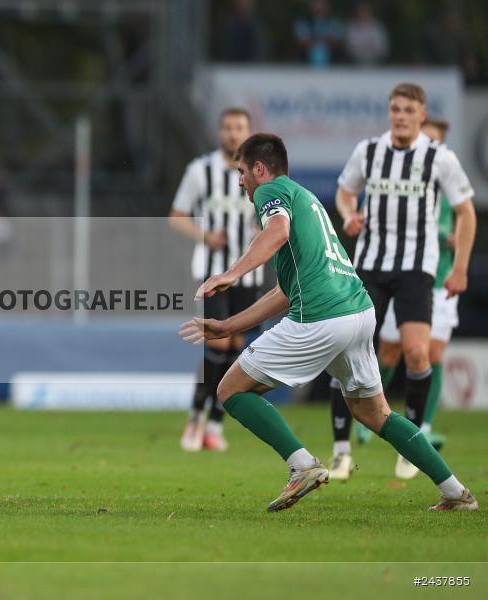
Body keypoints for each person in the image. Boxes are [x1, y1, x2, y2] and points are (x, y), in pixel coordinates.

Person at [180, 133, 478, 512]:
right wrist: (228, 325)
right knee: (375, 413)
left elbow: (277, 232)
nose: (240, 181)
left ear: (259, 169)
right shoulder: (308, 200)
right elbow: (286, 292)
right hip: (358, 313)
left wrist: (231, 274)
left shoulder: (269, 193)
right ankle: (456, 492)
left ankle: (302, 465)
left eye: (241, 171)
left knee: (230, 390)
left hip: (320, 318)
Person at [329, 83, 476, 481]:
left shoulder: (439, 158)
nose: (401, 116)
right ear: (389, 112)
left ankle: (411, 446)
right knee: (349, 349)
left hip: (417, 268)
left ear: (421, 116)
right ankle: (341, 450)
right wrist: (349, 214)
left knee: (416, 352)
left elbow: (466, 212)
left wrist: (460, 266)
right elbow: (345, 193)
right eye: (395, 109)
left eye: (409, 110)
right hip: (372, 265)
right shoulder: (369, 151)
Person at [353, 117, 459, 453]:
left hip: (439, 281)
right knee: (389, 351)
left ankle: (423, 426)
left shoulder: (447, 187)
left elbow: (458, 222)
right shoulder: (391, 183)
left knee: (431, 353)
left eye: (436, 143)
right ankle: (371, 413)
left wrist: (457, 249)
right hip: (399, 277)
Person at [170, 107, 261, 452]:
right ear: (219, 131)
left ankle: (215, 424)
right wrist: (206, 237)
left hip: (249, 272)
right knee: (218, 344)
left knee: (238, 348)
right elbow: (176, 216)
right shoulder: (200, 170)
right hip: (212, 271)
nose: (233, 133)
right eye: (227, 127)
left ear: (249, 131)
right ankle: (195, 417)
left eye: (240, 127)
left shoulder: (259, 172)